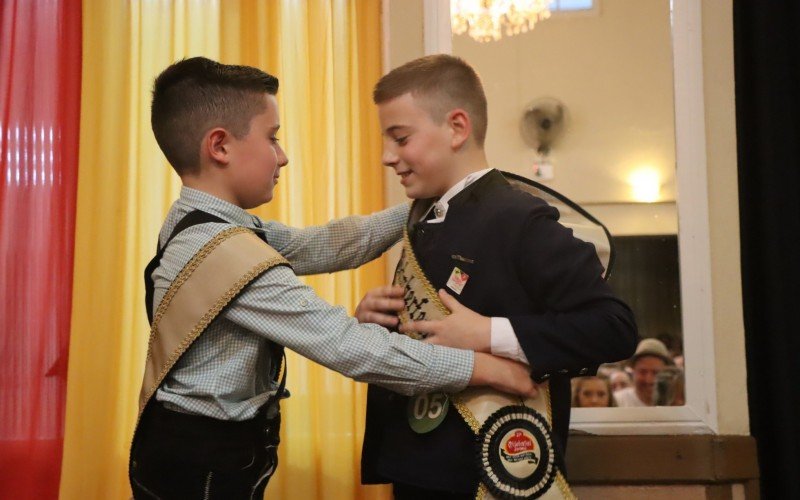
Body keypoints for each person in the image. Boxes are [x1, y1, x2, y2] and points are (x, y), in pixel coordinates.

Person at [128, 56, 538, 499]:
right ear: (220, 146)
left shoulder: (207, 224)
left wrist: (437, 200)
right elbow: (350, 346)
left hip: (195, 451)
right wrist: (485, 367)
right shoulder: (222, 253)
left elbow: (329, 243)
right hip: (202, 467)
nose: (282, 156)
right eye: (273, 138)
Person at [357, 54, 638, 499]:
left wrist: (488, 333)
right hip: (420, 468)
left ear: (456, 127)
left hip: (492, 472)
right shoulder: (426, 218)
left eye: (401, 138)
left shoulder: (519, 219)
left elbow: (614, 328)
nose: (387, 157)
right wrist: (379, 325)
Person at [614, 338, 672, 407]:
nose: (649, 380)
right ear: (633, 371)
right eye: (642, 372)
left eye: (656, 373)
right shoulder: (618, 401)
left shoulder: (676, 403)